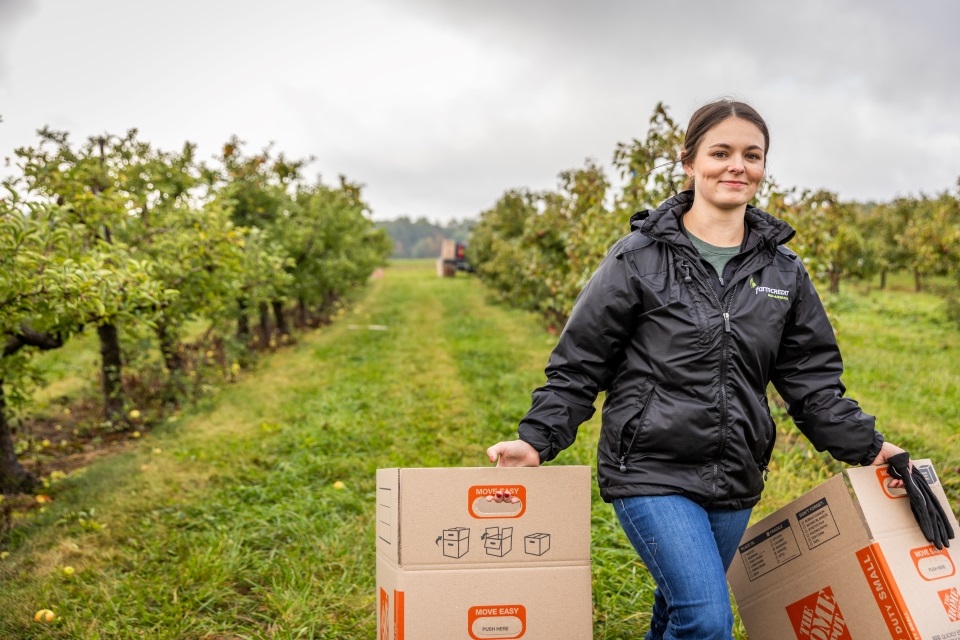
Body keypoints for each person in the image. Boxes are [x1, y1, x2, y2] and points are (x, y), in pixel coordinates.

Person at [485, 98, 908, 640]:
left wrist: (870, 447)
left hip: (735, 473)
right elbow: (580, 363)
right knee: (706, 619)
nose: (737, 166)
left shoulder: (783, 271)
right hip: (649, 468)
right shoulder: (638, 258)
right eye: (721, 152)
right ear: (689, 162)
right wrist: (537, 439)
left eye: (751, 155)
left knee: (677, 613)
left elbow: (812, 383)